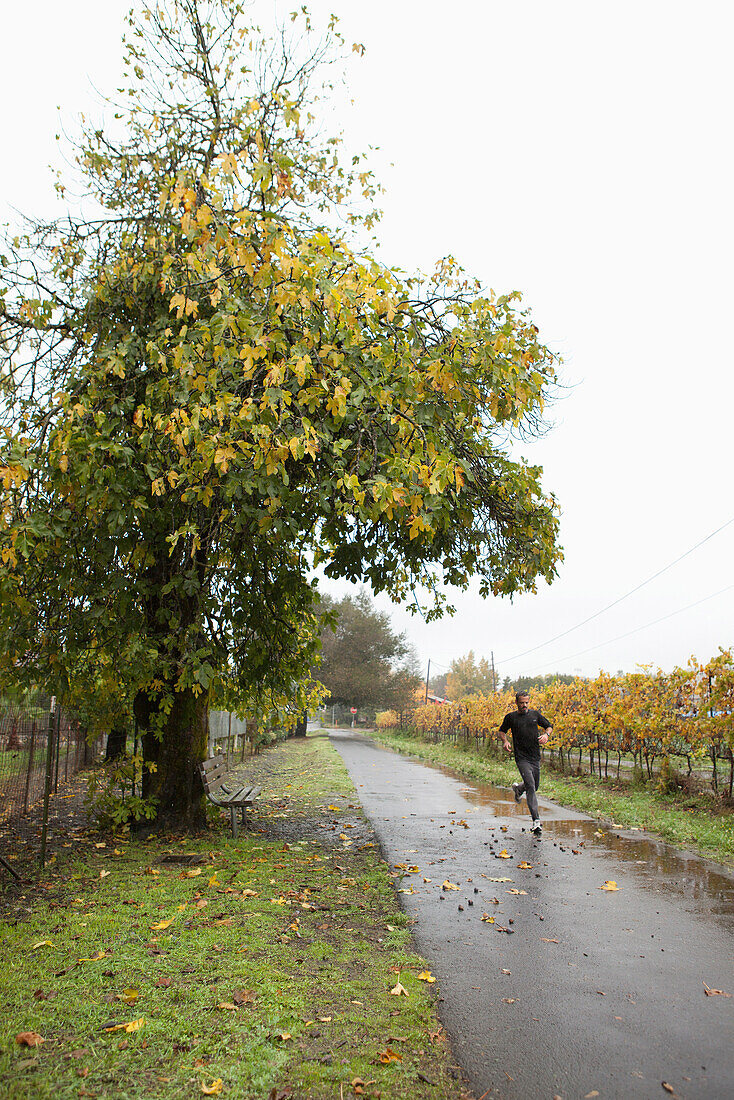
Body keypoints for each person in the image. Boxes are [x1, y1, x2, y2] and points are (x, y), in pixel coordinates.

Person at [498, 691, 553, 834]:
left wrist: (546, 735)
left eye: (526, 702)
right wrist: (505, 741)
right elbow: (502, 731)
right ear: (516, 703)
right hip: (521, 758)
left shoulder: (535, 715)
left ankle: (518, 789)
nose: (524, 705)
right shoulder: (511, 717)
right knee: (531, 786)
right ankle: (536, 821)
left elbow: (549, 726)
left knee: (535, 786)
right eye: (521, 703)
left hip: (535, 756)